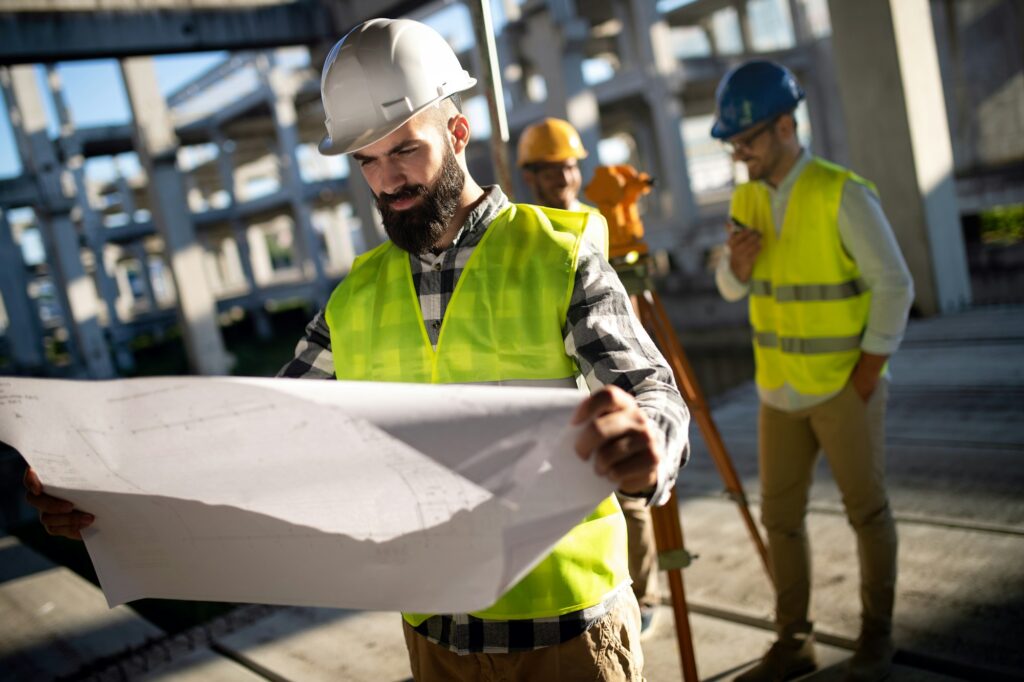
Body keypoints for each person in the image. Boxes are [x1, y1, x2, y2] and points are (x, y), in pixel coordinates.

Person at [25, 18, 689, 682]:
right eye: (366, 160)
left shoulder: (556, 257)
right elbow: (249, 433)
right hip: (434, 642)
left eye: (403, 149)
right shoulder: (355, 299)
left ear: (458, 134)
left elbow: (656, 395)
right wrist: (102, 490)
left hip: (567, 636)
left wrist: (647, 448)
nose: (387, 181)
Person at [710, 60, 913, 682]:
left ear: (784, 126)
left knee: (867, 514)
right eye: (734, 143)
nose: (739, 153)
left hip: (844, 387)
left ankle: (875, 641)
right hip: (778, 393)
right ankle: (794, 642)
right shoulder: (745, 198)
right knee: (780, 519)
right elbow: (728, 289)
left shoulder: (840, 191)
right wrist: (736, 270)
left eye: (746, 139)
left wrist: (867, 374)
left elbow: (895, 286)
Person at [518, 117, 662, 636]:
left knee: (631, 494)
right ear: (531, 175)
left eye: (571, 166)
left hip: (608, 371)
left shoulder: (597, 224)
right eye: (553, 170)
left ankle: (645, 596)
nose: (566, 177)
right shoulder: (523, 230)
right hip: (560, 382)